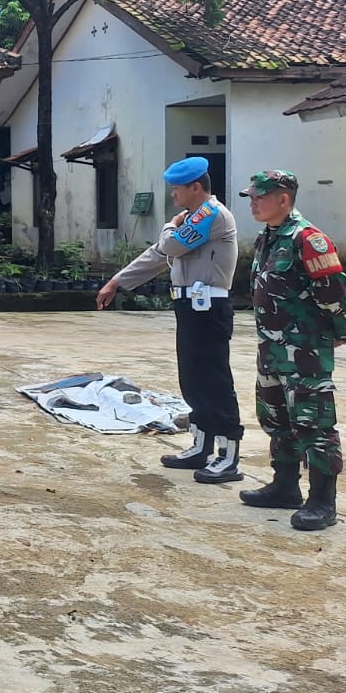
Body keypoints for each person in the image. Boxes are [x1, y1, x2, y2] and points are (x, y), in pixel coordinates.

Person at [96, 157, 245, 482]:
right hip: (190, 309)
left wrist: (169, 227)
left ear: (195, 187)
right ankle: (201, 445)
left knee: (214, 381)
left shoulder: (211, 214)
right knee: (192, 380)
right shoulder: (191, 218)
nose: (173, 195)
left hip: (209, 309)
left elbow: (171, 244)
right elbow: (159, 254)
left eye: (177, 188)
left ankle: (228, 456)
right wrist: (117, 281)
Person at [236, 170, 346, 531]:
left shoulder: (309, 239)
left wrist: (335, 332)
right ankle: (285, 485)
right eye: (252, 197)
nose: (253, 203)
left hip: (304, 349)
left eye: (260, 197)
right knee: (276, 416)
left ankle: (322, 500)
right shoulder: (268, 238)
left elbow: (334, 291)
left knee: (313, 421)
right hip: (272, 347)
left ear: (283, 199)